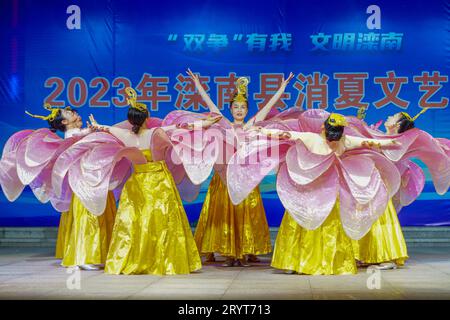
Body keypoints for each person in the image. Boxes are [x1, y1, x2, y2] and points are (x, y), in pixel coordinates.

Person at [187, 69, 294, 267]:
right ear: (230, 109)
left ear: (246, 110)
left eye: (242, 107)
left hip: (245, 178)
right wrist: (198, 85)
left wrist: (282, 88)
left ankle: (246, 250)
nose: (238, 110)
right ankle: (229, 252)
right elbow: (210, 104)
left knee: (247, 214)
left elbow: (269, 105)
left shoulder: (251, 126)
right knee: (225, 214)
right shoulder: (225, 124)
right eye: (235, 107)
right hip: (224, 178)